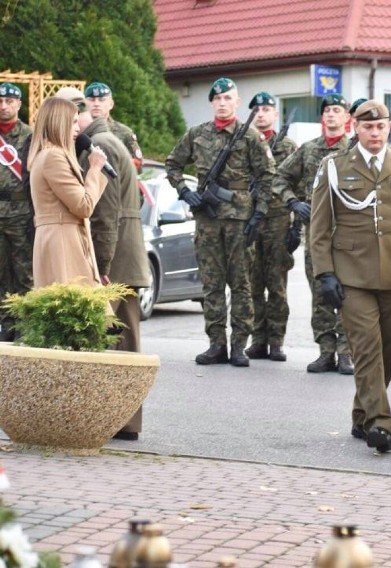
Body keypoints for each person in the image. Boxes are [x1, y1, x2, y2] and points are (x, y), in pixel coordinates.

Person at [310, 99, 391, 454]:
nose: (375, 133)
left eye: (380, 127)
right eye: (368, 127)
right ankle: (380, 423)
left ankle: (361, 412)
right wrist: (325, 273)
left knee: (388, 357)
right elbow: (319, 227)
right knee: (366, 349)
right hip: (351, 276)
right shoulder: (334, 167)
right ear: (355, 128)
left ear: (389, 127)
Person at [57, 87, 151, 440]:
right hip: (123, 258)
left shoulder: (104, 145)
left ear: (80, 116)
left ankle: (120, 422)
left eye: (69, 119)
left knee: (117, 344)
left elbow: (105, 214)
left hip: (117, 262)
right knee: (118, 342)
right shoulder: (103, 140)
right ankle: (120, 422)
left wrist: (101, 264)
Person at [165, 77, 276, 367]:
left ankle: (239, 345)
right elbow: (173, 164)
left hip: (239, 221)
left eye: (228, 98)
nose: (223, 103)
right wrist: (186, 191)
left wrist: (258, 215)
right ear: (212, 102)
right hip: (207, 221)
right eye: (218, 99)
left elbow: (267, 177)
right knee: (211, 285)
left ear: (237, 102)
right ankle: (217, 344)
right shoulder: (197, 134)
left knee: (240, 284)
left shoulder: (250, 136)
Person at [272, 93, 354, 374]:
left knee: (346, 292)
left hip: (348, 234)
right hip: (317, 235)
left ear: (347, 118)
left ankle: (345, 352)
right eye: (327, 110)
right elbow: (279, 177)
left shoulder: (355, 150)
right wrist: (293, 203)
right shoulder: (307, 150)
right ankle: (326, 351)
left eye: (337, 110)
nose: (331, 114)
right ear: (322, 117)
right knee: (320, 293)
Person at [27, 97, 108, 288]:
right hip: (63, 243)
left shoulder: (48, 155)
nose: (78, 129)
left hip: (60, 239)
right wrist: (95, 168)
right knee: (74, 312)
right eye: (73, 122)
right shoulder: (54, 156)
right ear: (59, 123)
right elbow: (84, 206)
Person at [244, 91, 298, 362]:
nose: (262, 113)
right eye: (257, 109)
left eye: (267, 109)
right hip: (250, 220)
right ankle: (258, 339)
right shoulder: (244, 143)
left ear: (275, 113)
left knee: (276, 285)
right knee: (253, 284)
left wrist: (295, 227)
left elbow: (298, 187)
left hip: (277, 220)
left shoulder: (288, 146)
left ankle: (276, 340)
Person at [0, 83, 33, 341]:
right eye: (0, 101)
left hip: (21, 214)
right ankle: (5, 325)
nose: (3, 106)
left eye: (9, 102)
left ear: (19, 104)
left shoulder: (30, 136)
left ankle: (25, 326)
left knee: (24, 273)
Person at [84, 82, 144, 171]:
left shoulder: (124, 132)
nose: (96, 104)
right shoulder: (78, 130)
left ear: (111, 104)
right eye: (91, 99)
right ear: (84, 103)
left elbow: (138, 165)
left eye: (102, 100)